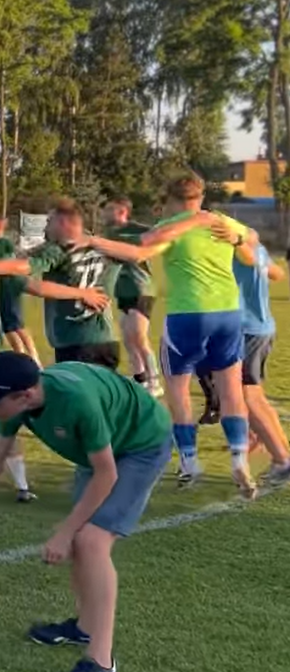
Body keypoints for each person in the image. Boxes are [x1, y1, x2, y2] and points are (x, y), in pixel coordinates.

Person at [0, 353, 172, 672]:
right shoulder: (17, 405)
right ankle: (84, 627)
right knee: (81, 538)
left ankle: (102, 664)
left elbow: (107, 474)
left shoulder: (76, 402)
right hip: (101, 450)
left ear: (25, 396)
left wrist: (64, 532)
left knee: (91, 541)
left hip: (141, 444)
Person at [87, 176, 255, 496]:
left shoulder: (172, 226)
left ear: (170, 199)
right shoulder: (221, 222)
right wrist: (236, 239)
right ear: (201, 196)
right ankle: (239, 457)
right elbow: (250, 254)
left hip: (187, 314)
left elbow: (138, 253)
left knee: (178, 392)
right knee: (231, 390)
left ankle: (189, 463)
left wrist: (92, 241)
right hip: (228, 313)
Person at [0, 211, 109, 503]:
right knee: (1, 418)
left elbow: (34, 284)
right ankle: (21, 485)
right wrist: (79, 292)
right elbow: (35, 286)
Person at [0, 200, 122, 370]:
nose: (45, 228)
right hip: (107, 340)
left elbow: (26, 270)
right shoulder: (105, 247)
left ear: (62, 222)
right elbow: (136, 253)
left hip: (75, 342)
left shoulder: (58, 249)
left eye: (49, 222)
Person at [197, 239, 290, 486]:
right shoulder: (255, 245)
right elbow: (277, 273)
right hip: (261, 327)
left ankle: (281, 459)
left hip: (242, 329)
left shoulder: (222, 250)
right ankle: (278, 452)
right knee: (253, 395)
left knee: (246, 396)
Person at [100, 197, 162, 396]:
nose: (104, 213)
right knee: (128, 339)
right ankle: (140, 378)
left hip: (140, 288)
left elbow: (158, 234)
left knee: (139, 336)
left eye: (109, 209)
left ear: (122, 211)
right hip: (123, 291)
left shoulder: (136, 229)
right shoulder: (108, 234)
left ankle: (155, 381)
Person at [0, 216, 41, 367]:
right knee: (7, 326)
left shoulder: (3, 243)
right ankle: (20, 354)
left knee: (17, 323)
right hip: (2, 287)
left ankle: (34, 357)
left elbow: (4, 262)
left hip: (10, 284)